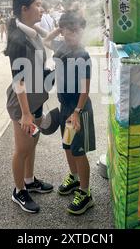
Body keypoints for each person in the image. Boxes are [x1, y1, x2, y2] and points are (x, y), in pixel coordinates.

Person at [5, 0, 53, 214]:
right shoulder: (18, 39)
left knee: (33, 142)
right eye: (38, 5)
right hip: (22, 102)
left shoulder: (31, 31)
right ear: (24, 9)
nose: (41, 9)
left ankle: (30, 180)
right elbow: (19, 80)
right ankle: (18, 190)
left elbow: (48, 40)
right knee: (22, 148)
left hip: (36, 98)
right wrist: (25, 113)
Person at [53, 11, 96, 215]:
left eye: (76, 30)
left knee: (79, 151)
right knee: (68, 147)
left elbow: (85, 89)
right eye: (68, 30)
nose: (72, 35)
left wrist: (77, 112)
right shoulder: (61, 47)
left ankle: (85, 193)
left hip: (78, 109)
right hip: (66, 108)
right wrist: (60, 28)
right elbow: (45, 39)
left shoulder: (83, 55)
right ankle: (74, 177)